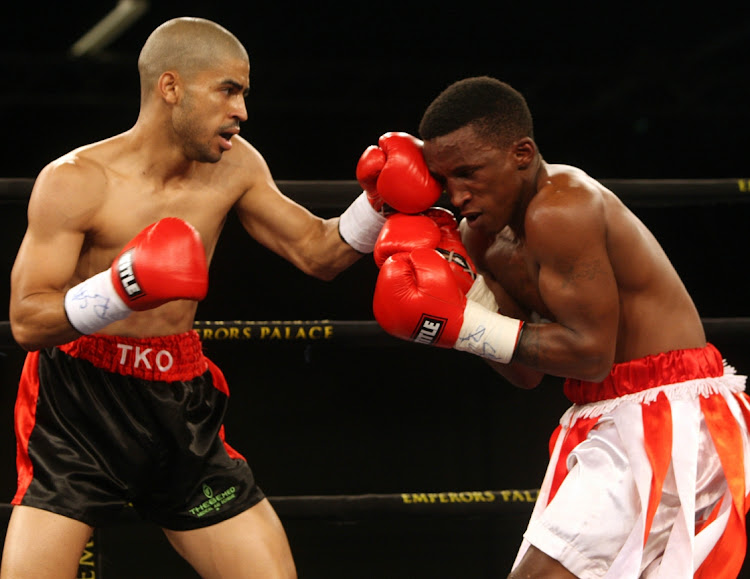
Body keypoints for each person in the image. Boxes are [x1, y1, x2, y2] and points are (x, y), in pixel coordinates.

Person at [3, 17, 440, 579]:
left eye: (244, 94)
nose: (242, 111)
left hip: (180, 406)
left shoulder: (236, 165)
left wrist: (376, 204)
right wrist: (122, 287)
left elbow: (317, 252)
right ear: (171, 88)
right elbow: (26, 319)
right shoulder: (76, 180)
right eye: (228, 91)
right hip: (78, 408)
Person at [371, 76, 750, 578]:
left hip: (668, 413)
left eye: (469, 173)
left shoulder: (563, 207)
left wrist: (464, 327)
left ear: (521, 153)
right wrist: (468, 301)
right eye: (445, 180)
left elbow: (590, 355)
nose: (458, 195)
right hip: (606, 414)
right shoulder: (481, 237)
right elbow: (526, 372)